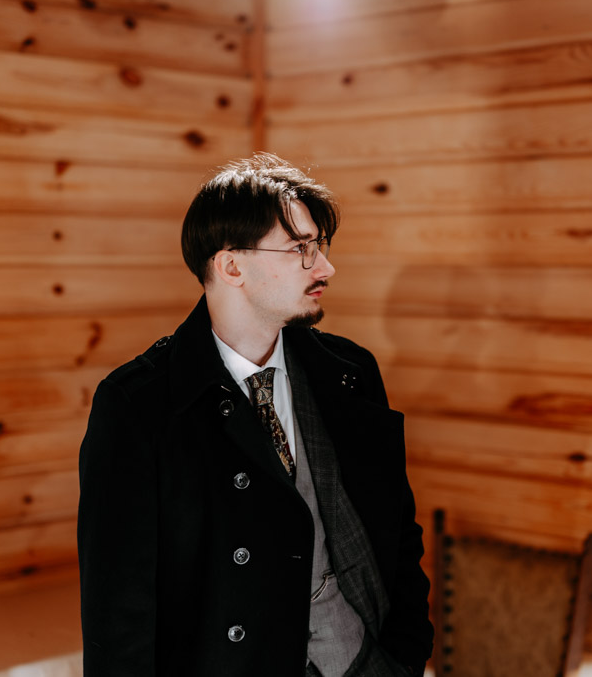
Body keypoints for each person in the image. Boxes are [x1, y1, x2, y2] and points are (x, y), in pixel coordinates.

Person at [77, 153, 434, 676]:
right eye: (299, 249)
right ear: (231, 266)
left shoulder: (350, 372)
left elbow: (397, 534)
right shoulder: (138, 404)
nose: (325, 267)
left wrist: (405, 653)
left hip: (362, 660)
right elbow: (117, 611)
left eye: (320, 246)